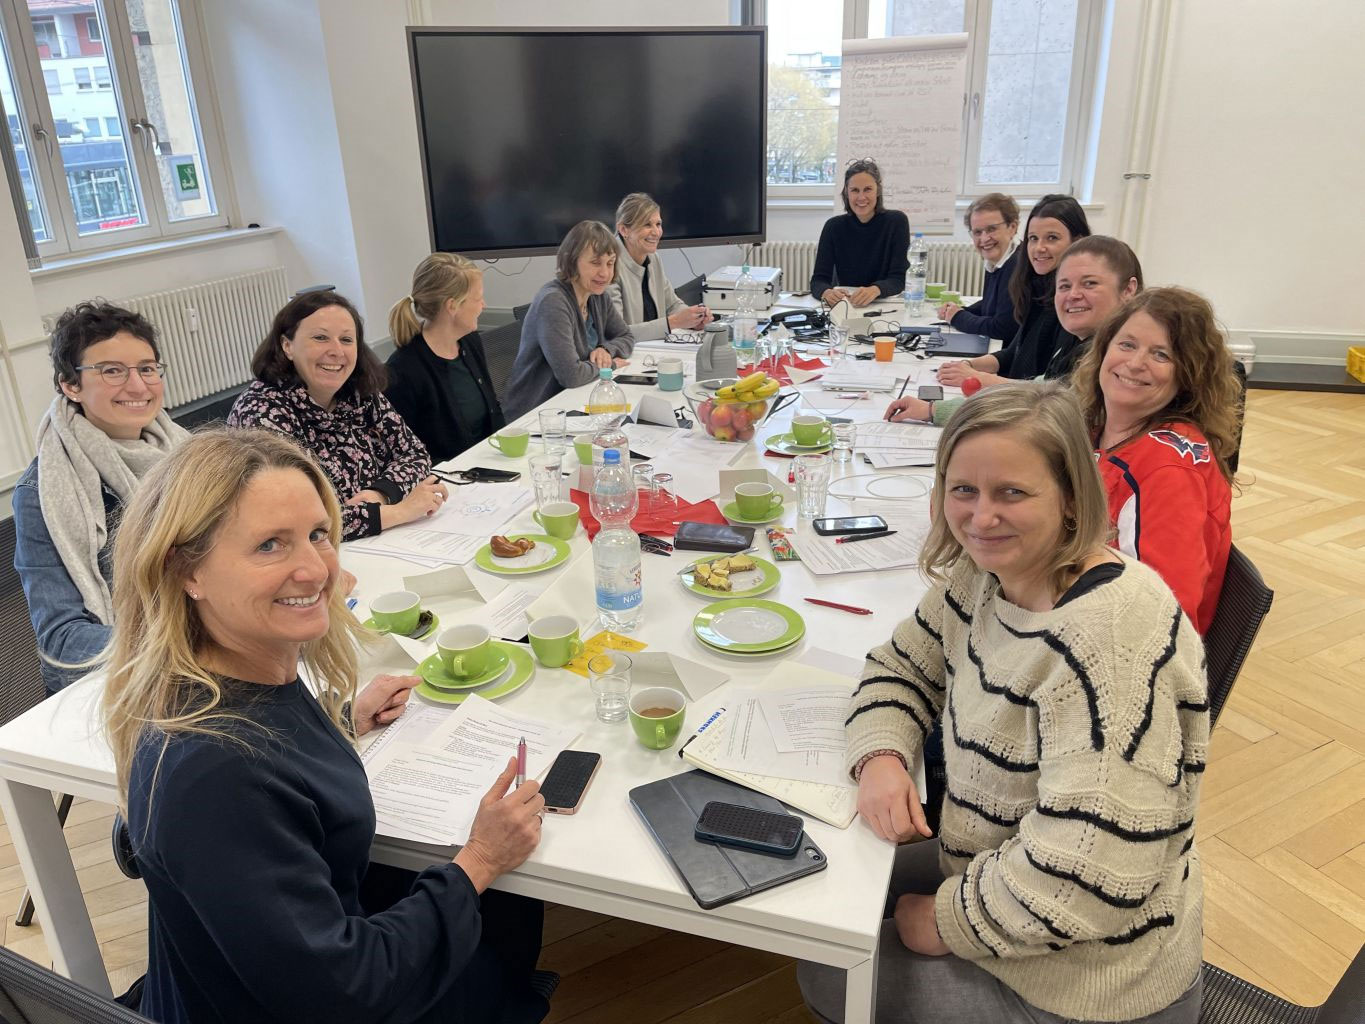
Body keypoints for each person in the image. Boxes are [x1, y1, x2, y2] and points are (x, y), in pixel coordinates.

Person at [104, 429, 552, 1024]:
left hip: (262, 973)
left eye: (318, 534)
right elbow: (343, 991)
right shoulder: (218, 772)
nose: (316, 569)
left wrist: (339, 721)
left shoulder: (214, 684)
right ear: (188, 573)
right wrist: (481, 859)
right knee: (508, 908)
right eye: (270, 546)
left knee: (509, 912)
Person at [799, 381, 1208, 1024]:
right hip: (999, 864)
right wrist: (879, 755)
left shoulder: (1109, 643)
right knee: (824, 885)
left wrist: (938, 922)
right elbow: (899, 668)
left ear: (1072, 498)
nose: (980, 517)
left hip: (1088, 982)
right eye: (964, 490)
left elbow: (1088, 881)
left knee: (828, 972)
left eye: (1011, 493)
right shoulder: (986, 573)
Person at [12, 301, 188, 693]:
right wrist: (190, 640)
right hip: (122, 683)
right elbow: (63, 642)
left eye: (147, 368)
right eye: (112, 371)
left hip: (214, 655)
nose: (139, 386)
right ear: (70, 385)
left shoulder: (188, 455)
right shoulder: (43, 493)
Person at [1073, 288, 1239, 633]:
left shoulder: (1167, 473)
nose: (1135, 364)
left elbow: (1163, 618)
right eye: (1127, 344)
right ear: (1104, 349)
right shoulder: (1097, 430)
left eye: (1161, 355)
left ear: (1188, 375)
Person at [226, 290, 447, 541]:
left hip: (376, 542)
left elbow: (415, 454)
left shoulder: (359, 392)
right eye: (320, 338)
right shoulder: (262, 411)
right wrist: (398, 512)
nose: (336, 351)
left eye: (346, 339)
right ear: (287, 345)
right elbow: (297, 518)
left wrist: (380, 494)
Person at [885, 235, 1141, 427]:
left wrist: (936, 411)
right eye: (1064, 286)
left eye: (1090, 283)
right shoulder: (1081, 343)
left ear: (1128, 290)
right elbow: (1034, 393)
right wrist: (933, 410)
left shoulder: (1116, 362)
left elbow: (1035, 409)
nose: (1073, 295)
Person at [937, 194, 1090, 391]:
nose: (1039, 248)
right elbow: (1015, 351)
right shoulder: (1036, 284)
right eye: (1033, 238)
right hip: (1017, 393)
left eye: (1052, 238)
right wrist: (970, 365)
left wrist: (978, 377)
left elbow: (1054, 390)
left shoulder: (1073, 307)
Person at [503, 220, 635, 421]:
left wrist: (606, 350)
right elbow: (571, 375)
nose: (605, 273)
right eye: (595, 262)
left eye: (610, 263)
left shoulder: (598, 295)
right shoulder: (554, 301)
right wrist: (611, 365)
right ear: (572, 261)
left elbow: (626, 336)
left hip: (574, 402)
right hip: (535, 413)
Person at [385, 253, 506, 464]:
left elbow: (492, 411)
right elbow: (403, 454)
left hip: (487, 463)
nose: (483, 305)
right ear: (452, 306)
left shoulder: (469, 341)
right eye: (477, 299)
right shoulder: (403, 370)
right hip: (448, 482)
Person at [609, 192, 712, 340]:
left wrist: (695, 318)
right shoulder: (608, 266)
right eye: (647, 225)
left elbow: (672, 305)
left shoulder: (653, 258)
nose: (656, 232)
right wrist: (674, 322)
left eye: (658, 224)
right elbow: (617, 333)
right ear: (624, 230)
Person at [810, 159, 910, 308]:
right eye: (855, 190)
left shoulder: (896, 222)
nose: (861, 197)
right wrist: (826, 292)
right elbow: (818, 280)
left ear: (878, 191)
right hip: (847, 306)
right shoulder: (833, 227)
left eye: (868, 189)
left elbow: (898, 279)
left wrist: (876, 289)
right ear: (846, 193)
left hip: (884, 305)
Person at [939, 193, 1021, 340]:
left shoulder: (1018, 267)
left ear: (1012, 227)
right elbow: (994, 305)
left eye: (991, 229)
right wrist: (959, 311)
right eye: (977, 232)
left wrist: (958, 317)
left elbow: (1002, 328)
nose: (984, 239)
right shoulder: (997, 261)